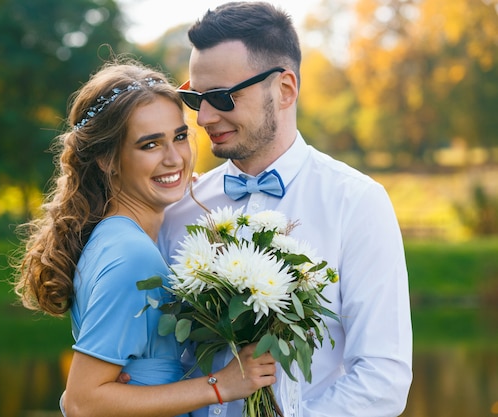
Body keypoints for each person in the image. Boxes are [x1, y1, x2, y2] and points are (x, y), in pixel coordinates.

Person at [157, 2, 413, 417]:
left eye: (222, 97)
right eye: (194, 97)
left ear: (285, 89)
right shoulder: (180, 208)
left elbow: (383, 378)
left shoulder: (356, 202)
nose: (204, 117)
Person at [10, 59, 278, 417]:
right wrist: (221, 386)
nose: (174, 159)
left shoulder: (115, 235)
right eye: (150, 145)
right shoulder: (131, 256)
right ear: (107, 159)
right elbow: (82, 402)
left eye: (179, 137)